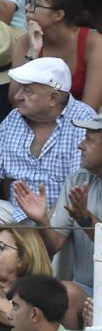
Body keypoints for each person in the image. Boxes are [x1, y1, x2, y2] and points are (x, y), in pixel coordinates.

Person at [0, 55, 96, 268]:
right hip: (19, 213)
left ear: (53, 98)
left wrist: (44, 223)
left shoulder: (82, 120)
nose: (18, 95)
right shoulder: (13, 118)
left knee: (64, 232)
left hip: (60, 218)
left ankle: (53, 297)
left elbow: (75, 189)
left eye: (28, 90)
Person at [14, 111, 102, 287]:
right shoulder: (77, 180)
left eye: (89, 140)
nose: (80, 145)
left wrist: (85, 219)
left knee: (65, 293)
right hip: (87, 292)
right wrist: (42, 221)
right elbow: (52, 246)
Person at [23, 0, 102, 112]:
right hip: (38, 122)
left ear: (59, 15)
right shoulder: (25, 42)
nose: (27, 8)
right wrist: (33, 54)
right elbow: (17, 100)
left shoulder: (94, 43)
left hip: (82, 126)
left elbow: (89, 109)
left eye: (35, 4)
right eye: (29, 2)